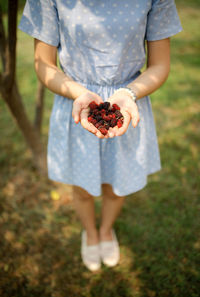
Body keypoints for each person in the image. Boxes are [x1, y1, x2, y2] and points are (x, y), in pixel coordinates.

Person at [19, 0, 182, 272]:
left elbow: (160, 65)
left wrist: (128, 94)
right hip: (78, 104)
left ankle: (106, 230)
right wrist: (78, 93)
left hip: (128, 105)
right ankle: (90, 233)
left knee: (117, 185)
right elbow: (43, 64)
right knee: (82, 187)